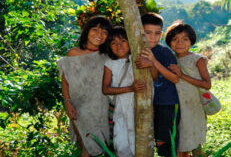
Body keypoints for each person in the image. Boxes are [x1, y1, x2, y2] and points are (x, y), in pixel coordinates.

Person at [57, 16, 113, 157]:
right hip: (79, 107)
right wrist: (68, 102)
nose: (99, 35)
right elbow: (65, 81)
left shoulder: (107, 56)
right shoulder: (74, 53)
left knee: (95, 147)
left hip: (101, 109)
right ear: (87, 31)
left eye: (104, 32)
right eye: (95, 30)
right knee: (85, 145)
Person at [135, 12, 180, 157]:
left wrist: (153, 62)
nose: (152, 37)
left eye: (157, 33)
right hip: (149, 104)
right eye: (148, 33)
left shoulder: (165, 52)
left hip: (167, 104)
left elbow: (174, 78)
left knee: (166, 142)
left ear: (161, 34)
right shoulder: (136, 50)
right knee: (151, 138)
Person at [166, 21, 211, 157]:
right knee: (181, 142)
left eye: (185, 39)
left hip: (193, 106)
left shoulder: (197, 60)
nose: (180, 43)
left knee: (194, 141)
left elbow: (207, 84)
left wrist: (182, 75)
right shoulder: (169, 59)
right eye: (175, 39)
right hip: (176, 107)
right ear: (169, 42)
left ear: (191, 41)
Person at [102, 26, 146, 157]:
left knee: (138, 141)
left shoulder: (138, 59)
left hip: (138, 107)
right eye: (113, 43)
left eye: (123, 41)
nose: (118, 46)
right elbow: (106, 89)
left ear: (130, 42)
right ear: (109, 46)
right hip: (119, 110)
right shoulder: (110, 63)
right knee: (121, 143)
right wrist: (130, 88)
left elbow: (153, 77)